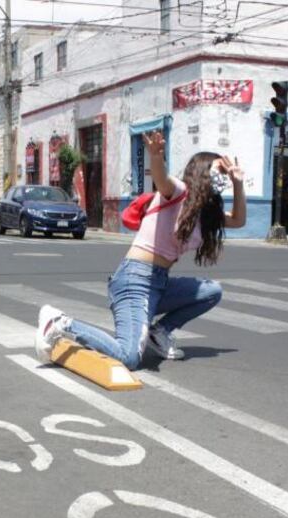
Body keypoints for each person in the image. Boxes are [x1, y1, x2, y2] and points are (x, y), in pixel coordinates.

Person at [36, 131, 245, 369]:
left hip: (159, 283)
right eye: (220, 169)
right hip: (134, 281)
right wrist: (155, 156)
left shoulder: (204, 214)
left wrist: (238, 183)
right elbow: (161, 178)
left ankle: (160, 332)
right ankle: (60, 323)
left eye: (225, 173)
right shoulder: (178, 192)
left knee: (211, 291)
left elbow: (238, 220)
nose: (223, 177)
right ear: (201, 170)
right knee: (128, 357)